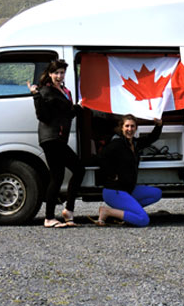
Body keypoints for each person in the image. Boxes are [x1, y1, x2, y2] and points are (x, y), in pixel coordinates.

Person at [28, 60, 85, 228]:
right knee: (75, 170)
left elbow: (65, 114)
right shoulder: (46, 91)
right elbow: (43, 116)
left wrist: (76, 108)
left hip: (58, 138)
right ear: (50, 74)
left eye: (62, 73)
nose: (59, 76)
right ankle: (54, 215)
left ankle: (59, 214)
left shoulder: (63, 90)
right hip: (51, 138)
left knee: (59, 176)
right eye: (56, 73)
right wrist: (36, 96)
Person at [90, 114, 163, 227]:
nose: (130, 129)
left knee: (156, 193)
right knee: (143, 219)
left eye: (132, 126)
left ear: (136, 128)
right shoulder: (117, 144)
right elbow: (100, 158)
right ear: (122, 128)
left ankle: (124, 213)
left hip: (128, 189)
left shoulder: (134, 143)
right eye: (127, 126)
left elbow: (151, 139)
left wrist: (158, 126)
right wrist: (111, 174)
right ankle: (107, 212)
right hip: (114, 191)